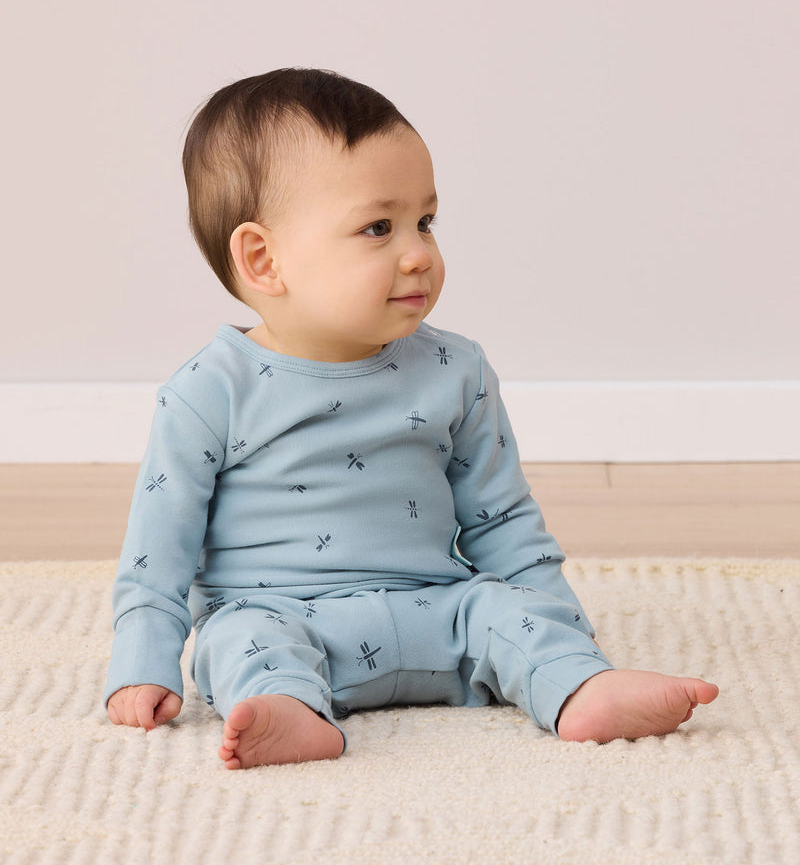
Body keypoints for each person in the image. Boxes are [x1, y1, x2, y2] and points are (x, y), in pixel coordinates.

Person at [105, 68, 718, 768]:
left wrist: (568, 637)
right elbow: (159, 548)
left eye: (425, 222)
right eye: (378, 228)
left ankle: (580, 690)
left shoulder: (456, 368)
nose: (420, 254)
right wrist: (142, 664)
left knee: (506, 612)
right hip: (282, 618)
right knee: (236, 642)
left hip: (439, 612)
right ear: (264, 259)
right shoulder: (208, 391)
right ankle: (290, 710)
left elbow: (502, 519)